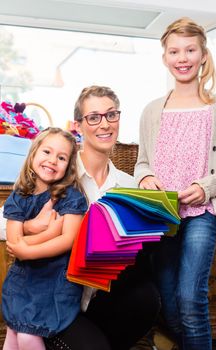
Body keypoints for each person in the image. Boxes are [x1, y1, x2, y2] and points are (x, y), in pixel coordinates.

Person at [8, 85, 161, 350]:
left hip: (101, 295)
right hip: (56, 297)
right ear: (78, 125)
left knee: (147, 294)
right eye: (94, 117)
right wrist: (32, 226)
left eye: (111, 115)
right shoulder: (57, 171)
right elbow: (6, 218)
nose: (104, 124)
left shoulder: (128, 185)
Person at [134, 17, 216, 350]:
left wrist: (208, 186)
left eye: (190, 50)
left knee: (192, 300)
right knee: (169, 301)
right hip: (162, 215)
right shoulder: (151, 110)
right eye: (174, 51)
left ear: (203, 54)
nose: (183, 58)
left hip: (203, 211)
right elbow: (142, 163)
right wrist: (146, 177)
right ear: (165, 57)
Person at [2, 127, 88, 350]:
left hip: (53, 283)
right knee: (12, 332)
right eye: (47, 152)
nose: (52, 160)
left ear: (68, 166)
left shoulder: (72, 198)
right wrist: (49, 233)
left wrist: (26, 249)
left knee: (26, 336)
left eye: (61, 157)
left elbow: (68, 239)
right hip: (22, 281)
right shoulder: (19, 196)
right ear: (33, 154)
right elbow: (14, 241)